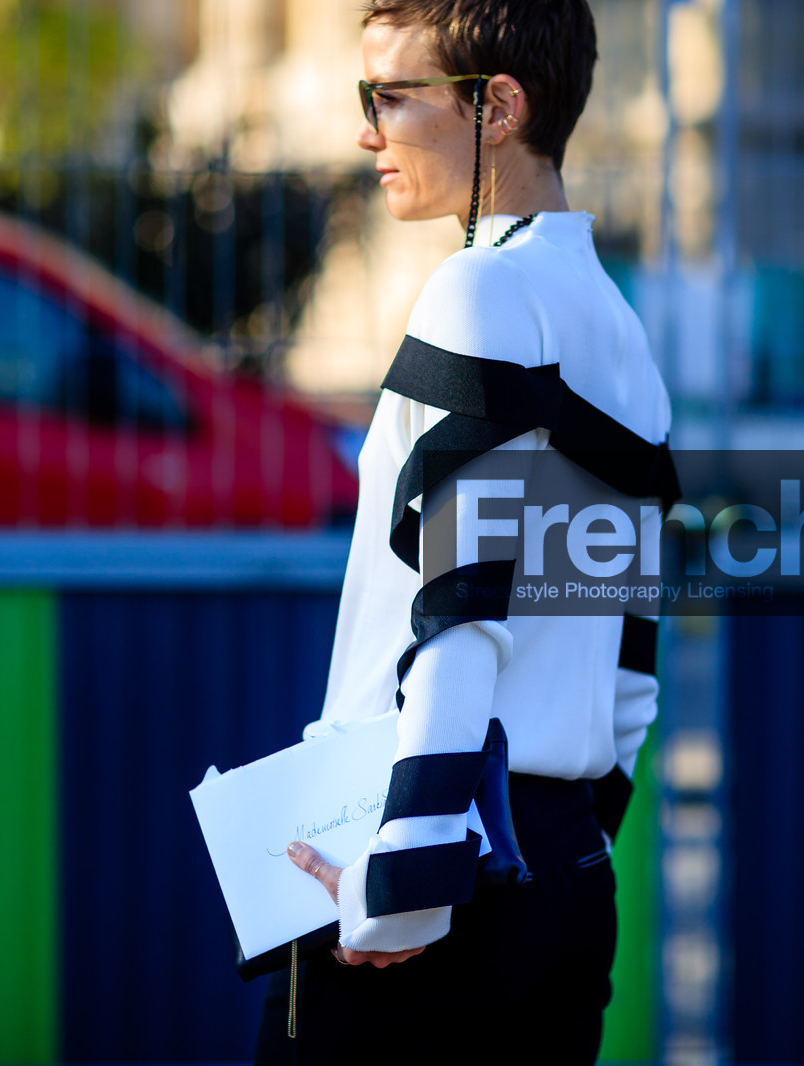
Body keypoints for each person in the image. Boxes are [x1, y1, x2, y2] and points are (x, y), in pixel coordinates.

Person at [253, 2, 674, 1062]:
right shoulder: (620, 333)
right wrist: (570, 841)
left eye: (390, 96)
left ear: (498, 106)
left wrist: (402, 887)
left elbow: (461, 611)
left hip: (430, 882)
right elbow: (631, 652)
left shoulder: (476, 290)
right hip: (564, 871)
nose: (367, 131)